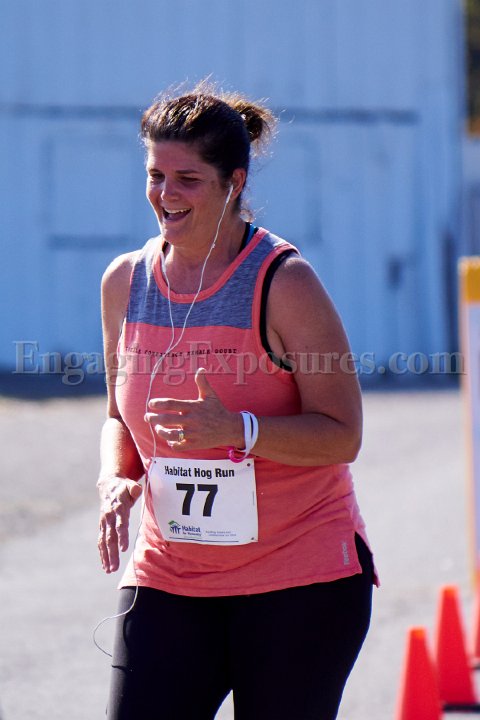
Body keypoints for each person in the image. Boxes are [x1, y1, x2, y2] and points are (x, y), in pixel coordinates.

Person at [97, 80, 377, 720]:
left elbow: (343, 433)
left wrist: (238, 430)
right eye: (155, 175)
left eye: (188, 179)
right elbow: (118, 414)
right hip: (170, 575)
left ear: (234, 182)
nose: (165, 194)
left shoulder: (284, 282)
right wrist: (115, 478)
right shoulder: (124, 282)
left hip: (300, 580)